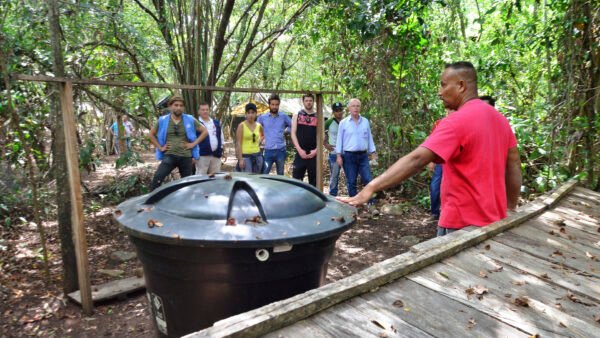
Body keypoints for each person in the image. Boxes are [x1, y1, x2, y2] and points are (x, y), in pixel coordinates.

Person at [338, 61, 522, 237]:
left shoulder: (456, 121)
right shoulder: (499, 119)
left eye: (443, 85)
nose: (439, 92)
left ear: (460, 86)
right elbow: (513, 163)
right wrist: (510, 208)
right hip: (494, 222)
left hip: (461, 225)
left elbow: (417, 159)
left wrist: (371, 187)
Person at [149, 96, 208, 191]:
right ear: (170, 107)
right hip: (169, 155)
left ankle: (185, 204)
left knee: (187, 183)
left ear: (183, 108)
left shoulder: (189, 119)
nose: (178, 107)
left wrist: (193, 144)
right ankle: (150, 202)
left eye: (181, 105)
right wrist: (160, 147)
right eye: (176, 105)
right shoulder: (163, 120)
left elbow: (205, 131)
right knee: (158, 177)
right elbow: (151, 134)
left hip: (186, 156)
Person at [335, 99, 377, 198]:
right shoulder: (344, 123)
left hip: (363, 155)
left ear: (360, 108)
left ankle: (371, 202)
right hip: (349, 156)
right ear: (349, 108)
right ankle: (354, 204)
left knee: (367, 179)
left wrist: (373, 152)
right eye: (353, 106)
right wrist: (338, 156)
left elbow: (369, 138)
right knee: (351, 181)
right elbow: (339, 140)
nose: (356, 108)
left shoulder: (365, 121)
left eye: (358, 106)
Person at [258, 94, 292, 175]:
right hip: (268, 151)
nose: (274, 107)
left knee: (280, 175)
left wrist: (287, 130)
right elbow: (255, 128)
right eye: (272, 104)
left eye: (276, 105)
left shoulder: (283, 116)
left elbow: (293, 126)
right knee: (264, 174)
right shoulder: (263, 117)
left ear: (279, 105)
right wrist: (261, 137)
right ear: (269, 105)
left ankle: (279, 188)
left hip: (280, 150)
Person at [291, 94, 318, 186]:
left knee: (314, 181)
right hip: (300, 152)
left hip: (313, 154)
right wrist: (299, 150)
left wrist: (316, 150)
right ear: (303, 102)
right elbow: (293, 133)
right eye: (306, 100)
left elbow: (322, 135)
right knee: (296, 180)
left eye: (310, 100)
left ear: (313, 102)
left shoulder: (318, 116)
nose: (308, 102)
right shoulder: (297, 115)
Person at [196, 102, 225, 175]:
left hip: (216, 154)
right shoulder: (196, 123)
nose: (205, 111)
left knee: (216, 177)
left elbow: (221, 137)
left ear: (209, 110)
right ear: (199, 111)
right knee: (200, 177)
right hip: (202, 155)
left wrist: (222, 149)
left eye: (207, 109)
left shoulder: (216, 122)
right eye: (202, 110)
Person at [236, 103, 264, 173]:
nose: (250, 115)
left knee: (256, 179)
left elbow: (263, 135)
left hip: (257, 155)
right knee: (247, 179)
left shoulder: (259, 125)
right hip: (246, 156)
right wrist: (240, 159)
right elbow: (238, 143)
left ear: (256, 114)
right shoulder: (241, 125)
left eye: (253, 112)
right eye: (248, 113)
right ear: (246, 114)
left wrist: (260, 141)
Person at [325, 102, 344, 196]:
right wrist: (325, 144)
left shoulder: (347, 121)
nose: (339, 112)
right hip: (334, 152)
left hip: (346, 152)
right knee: (334, 175)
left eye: (340, 110)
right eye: (336, 111)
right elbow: (320, 132)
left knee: (350, 175)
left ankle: (352, 195)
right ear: (333, 112)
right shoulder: (329, 122)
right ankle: (333, 195)